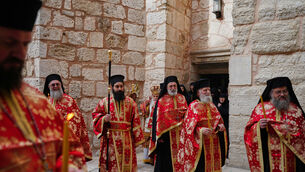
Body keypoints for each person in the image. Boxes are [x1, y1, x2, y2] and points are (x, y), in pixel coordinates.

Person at [0, 0, 86, 171]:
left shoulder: (38, 102)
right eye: (10, 42)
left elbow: (70, 149)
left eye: (25, 44)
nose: (20, 53)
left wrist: (69, 166)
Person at [244, 77, 305, 171]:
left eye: (285, 91)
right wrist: (259, 127)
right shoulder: (261, 109)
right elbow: (249, 131)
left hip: (291, 156)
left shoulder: (295, 110)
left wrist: (286, 129)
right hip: (269, 156)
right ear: (271, 93)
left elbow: (302, 132)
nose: (282, 94)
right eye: (278, 92)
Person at [92, 75, 144, 172]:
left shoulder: (131, 102)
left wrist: (137, 139)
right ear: (112, 88)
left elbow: (136, 121)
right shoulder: (104, 102)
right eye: (117, 86)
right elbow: (95, 115)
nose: (120, 89)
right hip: (110, 139)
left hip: (127, 139)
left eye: (121, 86)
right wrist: (103, 119)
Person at [175, 78, 227, 172]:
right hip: (200, 145)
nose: (208, 92)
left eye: (209, 90)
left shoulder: (212, 105)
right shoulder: (193, 106)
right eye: (205, 90)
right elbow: (187, 129)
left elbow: (219, 122)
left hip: (213, 143)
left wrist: (220, 127)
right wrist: (200, 130)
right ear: (198, 93)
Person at [43, 74, 92, 161]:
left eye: (57, 84)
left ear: (61, 85)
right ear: (48, 86)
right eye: (53, 85)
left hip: (65, 139)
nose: (55, 86)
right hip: (49, 140)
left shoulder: (69, 101)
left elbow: (75, 121)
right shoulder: (45, 101)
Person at [150, 76, 188, 172]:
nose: (173, 88)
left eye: (174, 86)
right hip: (166, 137)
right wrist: (158, 137)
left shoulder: (182, 98)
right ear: (167, 87)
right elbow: (156, 119)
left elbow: (187, 115)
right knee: (165, 163)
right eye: (170, 86)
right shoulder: (161, 100)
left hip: (181, 136)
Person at [139, 85, 160, 165]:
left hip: (156, 124)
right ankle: (146, 158)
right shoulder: (148, 103)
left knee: (154, 141)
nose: (155, 97)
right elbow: (143, 110)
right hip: (148, 124)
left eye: (157, 96)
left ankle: (153, 159)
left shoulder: (160, 103)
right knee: (146, 141)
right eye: (154, 96)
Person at [216, 93, 230, 158]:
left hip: (225, 124)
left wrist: (220, 107)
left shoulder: (226, 105)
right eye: (220, 97)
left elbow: (226, 113)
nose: (221, 99)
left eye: (223, 98)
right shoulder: (216, 104)